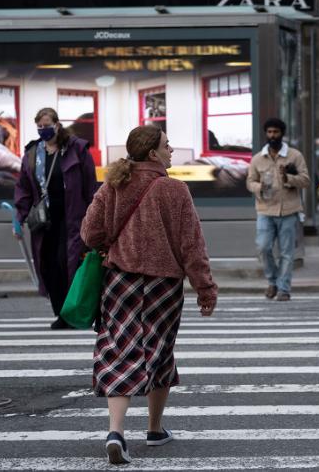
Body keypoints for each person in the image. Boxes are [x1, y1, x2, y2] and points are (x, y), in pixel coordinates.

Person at [80, 125, 218, 465]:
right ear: (153, 153)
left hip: (119, 281)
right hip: (163, 285)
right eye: (167, 146)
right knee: (159, 349)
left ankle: (116, 431)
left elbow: (89, 233)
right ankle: (154, 429)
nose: (171, 150)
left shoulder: (113, 184)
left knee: (118, 347)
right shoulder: (175, 191)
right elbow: (191, 246)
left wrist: (109, 245)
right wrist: (205, 287)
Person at [13, 108, 98, 329]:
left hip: (73, 219)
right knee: (48, 267)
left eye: (46, 125)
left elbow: (90, 185)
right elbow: (23, 189)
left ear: (57, 124)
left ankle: (70, 314)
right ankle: (60, 312)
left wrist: (96, 216)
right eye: (39, 126)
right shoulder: (33, 153)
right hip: (44, 222)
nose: (43, 130)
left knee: (68, 264)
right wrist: (18, 218)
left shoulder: (76, 149)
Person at [246, 118, 311, 302]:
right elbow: (249, 181)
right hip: (265, 210)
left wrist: (288, 177)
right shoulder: (258, 158)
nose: (272, 135)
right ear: (266, 134)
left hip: (289, 210)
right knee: (263, 247)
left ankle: (283, 288)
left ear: (282, 133)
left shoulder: (294, 155)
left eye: (276, 132)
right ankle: (272, 281)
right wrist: (259, 187)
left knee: (286, 252)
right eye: (269, 132)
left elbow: (306, 180)